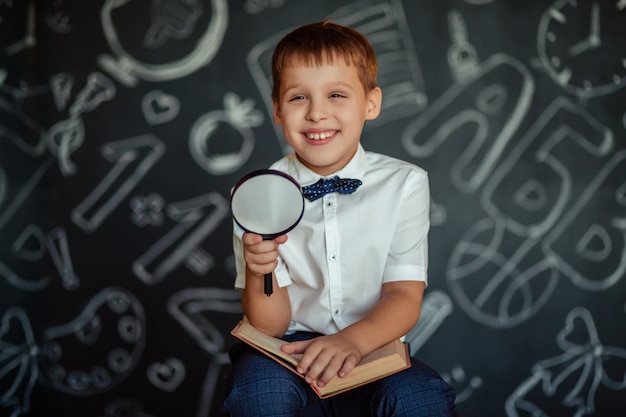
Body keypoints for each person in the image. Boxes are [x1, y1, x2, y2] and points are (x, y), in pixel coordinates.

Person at [224, 20, 458, 416]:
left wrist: (351, 341)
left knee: (421, 398)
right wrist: (259, 269)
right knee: (260, 394)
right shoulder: (256, 195)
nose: (317, 113)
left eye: (336, 94)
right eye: (299, 98)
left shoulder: (405, 184)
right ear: (277, 109)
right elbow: (269, 326)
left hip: (372, 347)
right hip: (287, 353)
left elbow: (404, 296)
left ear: (371, 103)